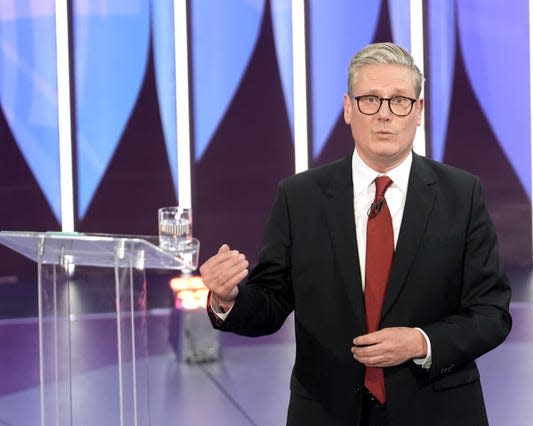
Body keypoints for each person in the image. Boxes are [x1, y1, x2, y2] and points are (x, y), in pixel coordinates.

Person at [200, 42, 512, 426]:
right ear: (348, 109)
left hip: (437, 410)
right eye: (370, 100)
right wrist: (228, 299)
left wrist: (420, 342)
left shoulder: (462, 195)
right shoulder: (300, 198)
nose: (384, 115)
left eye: (399, 101)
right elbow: (270, 304)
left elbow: (491, 313)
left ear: (419, 112)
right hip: (327, 412)